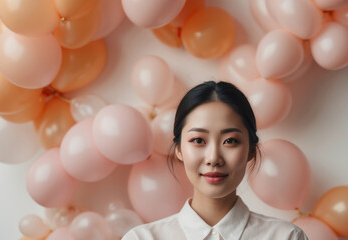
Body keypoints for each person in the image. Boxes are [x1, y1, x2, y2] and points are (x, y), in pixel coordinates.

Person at [122, 81, 308, 240]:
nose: (213, 158)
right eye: (198, 140)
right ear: (179, 149)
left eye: (230, 141)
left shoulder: (286, 237)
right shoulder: (141, 239)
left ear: (251, 150)